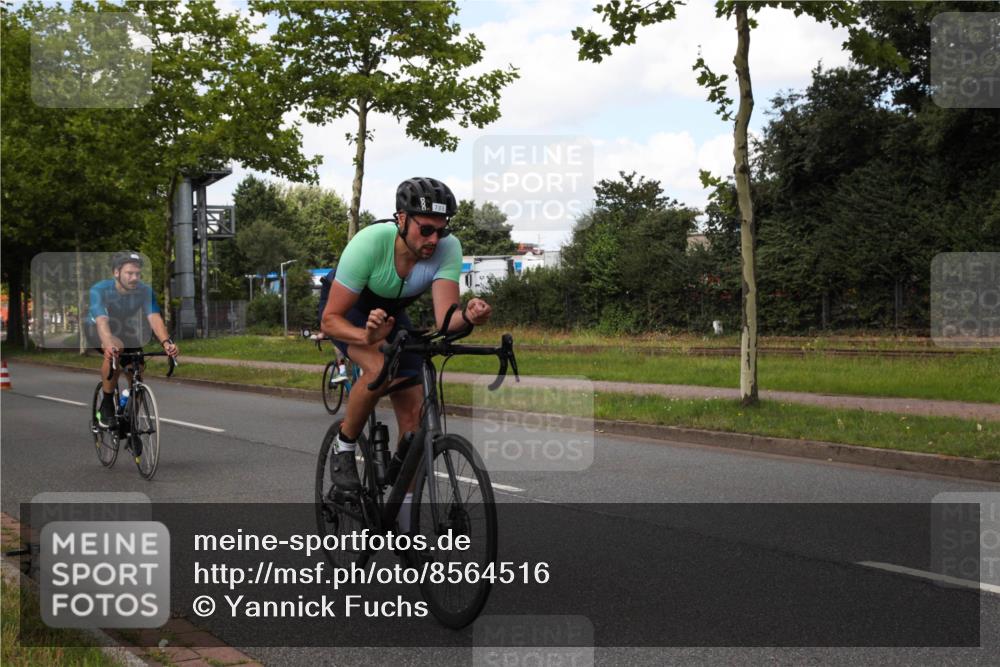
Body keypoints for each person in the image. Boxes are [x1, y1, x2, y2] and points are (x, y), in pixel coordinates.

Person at [320, 177, 492, 531]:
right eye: (426, 230)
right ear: (401, 219)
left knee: (414, 415)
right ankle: (344, 447)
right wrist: (365, 335)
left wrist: (469, 316)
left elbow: (446, 319)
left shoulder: (447, 248)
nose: (433, 240)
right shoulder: (369, 243)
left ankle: (403, 519)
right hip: (350, 312)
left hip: (393, 315)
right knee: (379, 366)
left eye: (440, 232)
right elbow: (330, 320)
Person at [87, 251, 179, 429]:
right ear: (116, 272)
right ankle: (106, 405)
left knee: (137, 369)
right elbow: (101, 321)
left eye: (137, 274)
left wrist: (167, 343)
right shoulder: (100, 290)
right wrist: (108, 343)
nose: (134, 277)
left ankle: (130, 422)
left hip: (123, 327)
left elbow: (154, 318)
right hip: (97, 327)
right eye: (130, 273)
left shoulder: (144, 291)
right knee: (116, 349)